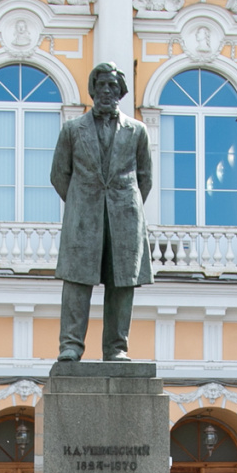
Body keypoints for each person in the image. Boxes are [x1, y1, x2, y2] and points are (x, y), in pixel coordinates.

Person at [49, 61, 154, 362]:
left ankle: (116, 348)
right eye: (101, 85)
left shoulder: (137, 131)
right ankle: (71, 345)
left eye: (112, 85)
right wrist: (82, 203)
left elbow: (144, 178)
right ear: (93, 90)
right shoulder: (72, 130)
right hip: (84, 217)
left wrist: (124, 205)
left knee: (122, 283)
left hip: (125, 217)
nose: (106, 90)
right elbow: (59, 175)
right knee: (76, 281)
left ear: (121, 91)